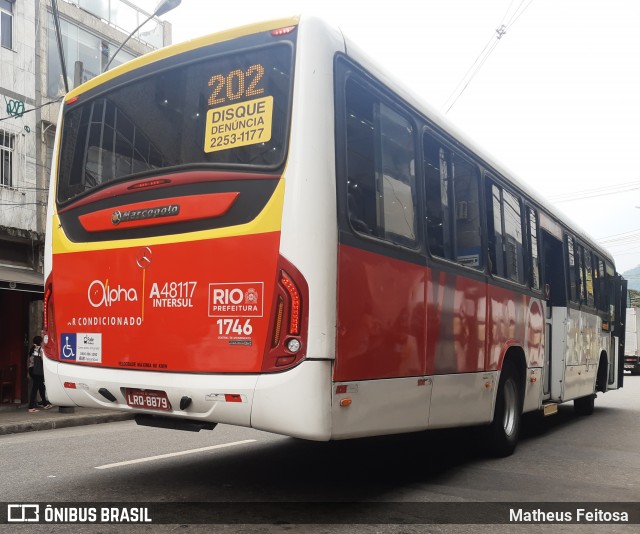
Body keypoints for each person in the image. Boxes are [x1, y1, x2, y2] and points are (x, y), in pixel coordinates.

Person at [27, 335, 52, 412]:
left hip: (32, 370)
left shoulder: (32, 349)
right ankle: (31, 407)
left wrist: (28, 372)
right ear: (40, 342)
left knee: (41, 387)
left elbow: (28, 361)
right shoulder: (40, 349)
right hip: (37, 371)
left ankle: (45, 404)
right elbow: (43, 359)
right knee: (35, 388)